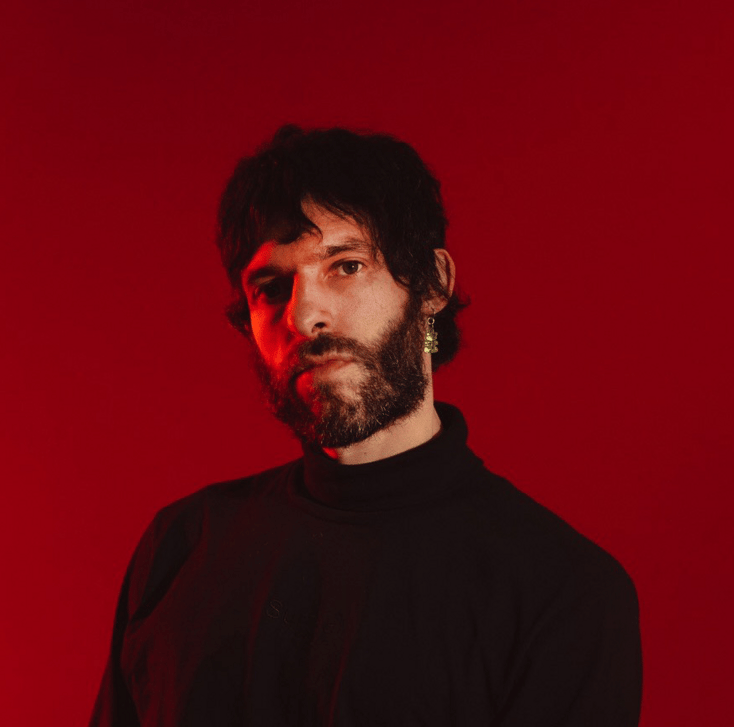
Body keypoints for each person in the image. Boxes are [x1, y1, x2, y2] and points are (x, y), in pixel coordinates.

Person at [89, 125, 642, 726]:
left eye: (346, 266)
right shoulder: (181, 547)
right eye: (270, 288)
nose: (305, 315)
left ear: (432, 285)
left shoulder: (560, 590)